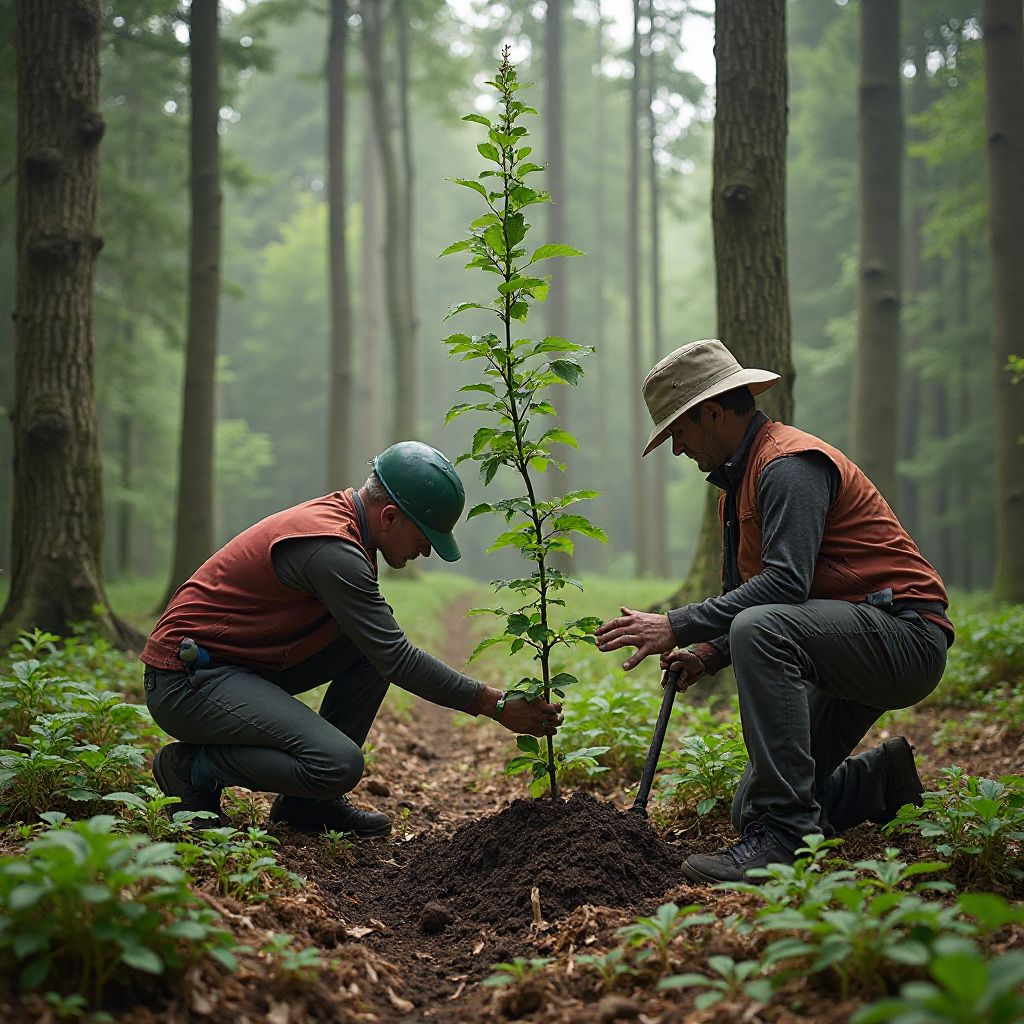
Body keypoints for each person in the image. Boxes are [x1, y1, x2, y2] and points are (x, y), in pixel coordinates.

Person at [596, 340, 953, 884]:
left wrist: (674, 624)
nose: (676, 450)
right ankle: (879, 782)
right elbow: (767, 596)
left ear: (711, 413)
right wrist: (708, 654)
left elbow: (784, 587)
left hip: (904, 636)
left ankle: (786, 841)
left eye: (678, 433)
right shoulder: (737, 488)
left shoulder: (787, 466)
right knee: (750, 809)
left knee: (760, 631)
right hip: (847, 642)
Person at [142, 441, 562, 836]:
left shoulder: (347, 526)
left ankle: (306, 807)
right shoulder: (332, 549)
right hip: (185, 681)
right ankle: (193, 770)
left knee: (367, 649)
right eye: (424, 537)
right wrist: (496, 704)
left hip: (232, 667)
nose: (427, 552)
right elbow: (397, 658)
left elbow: (381, 652)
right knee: (339, 764)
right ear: (390, 517)